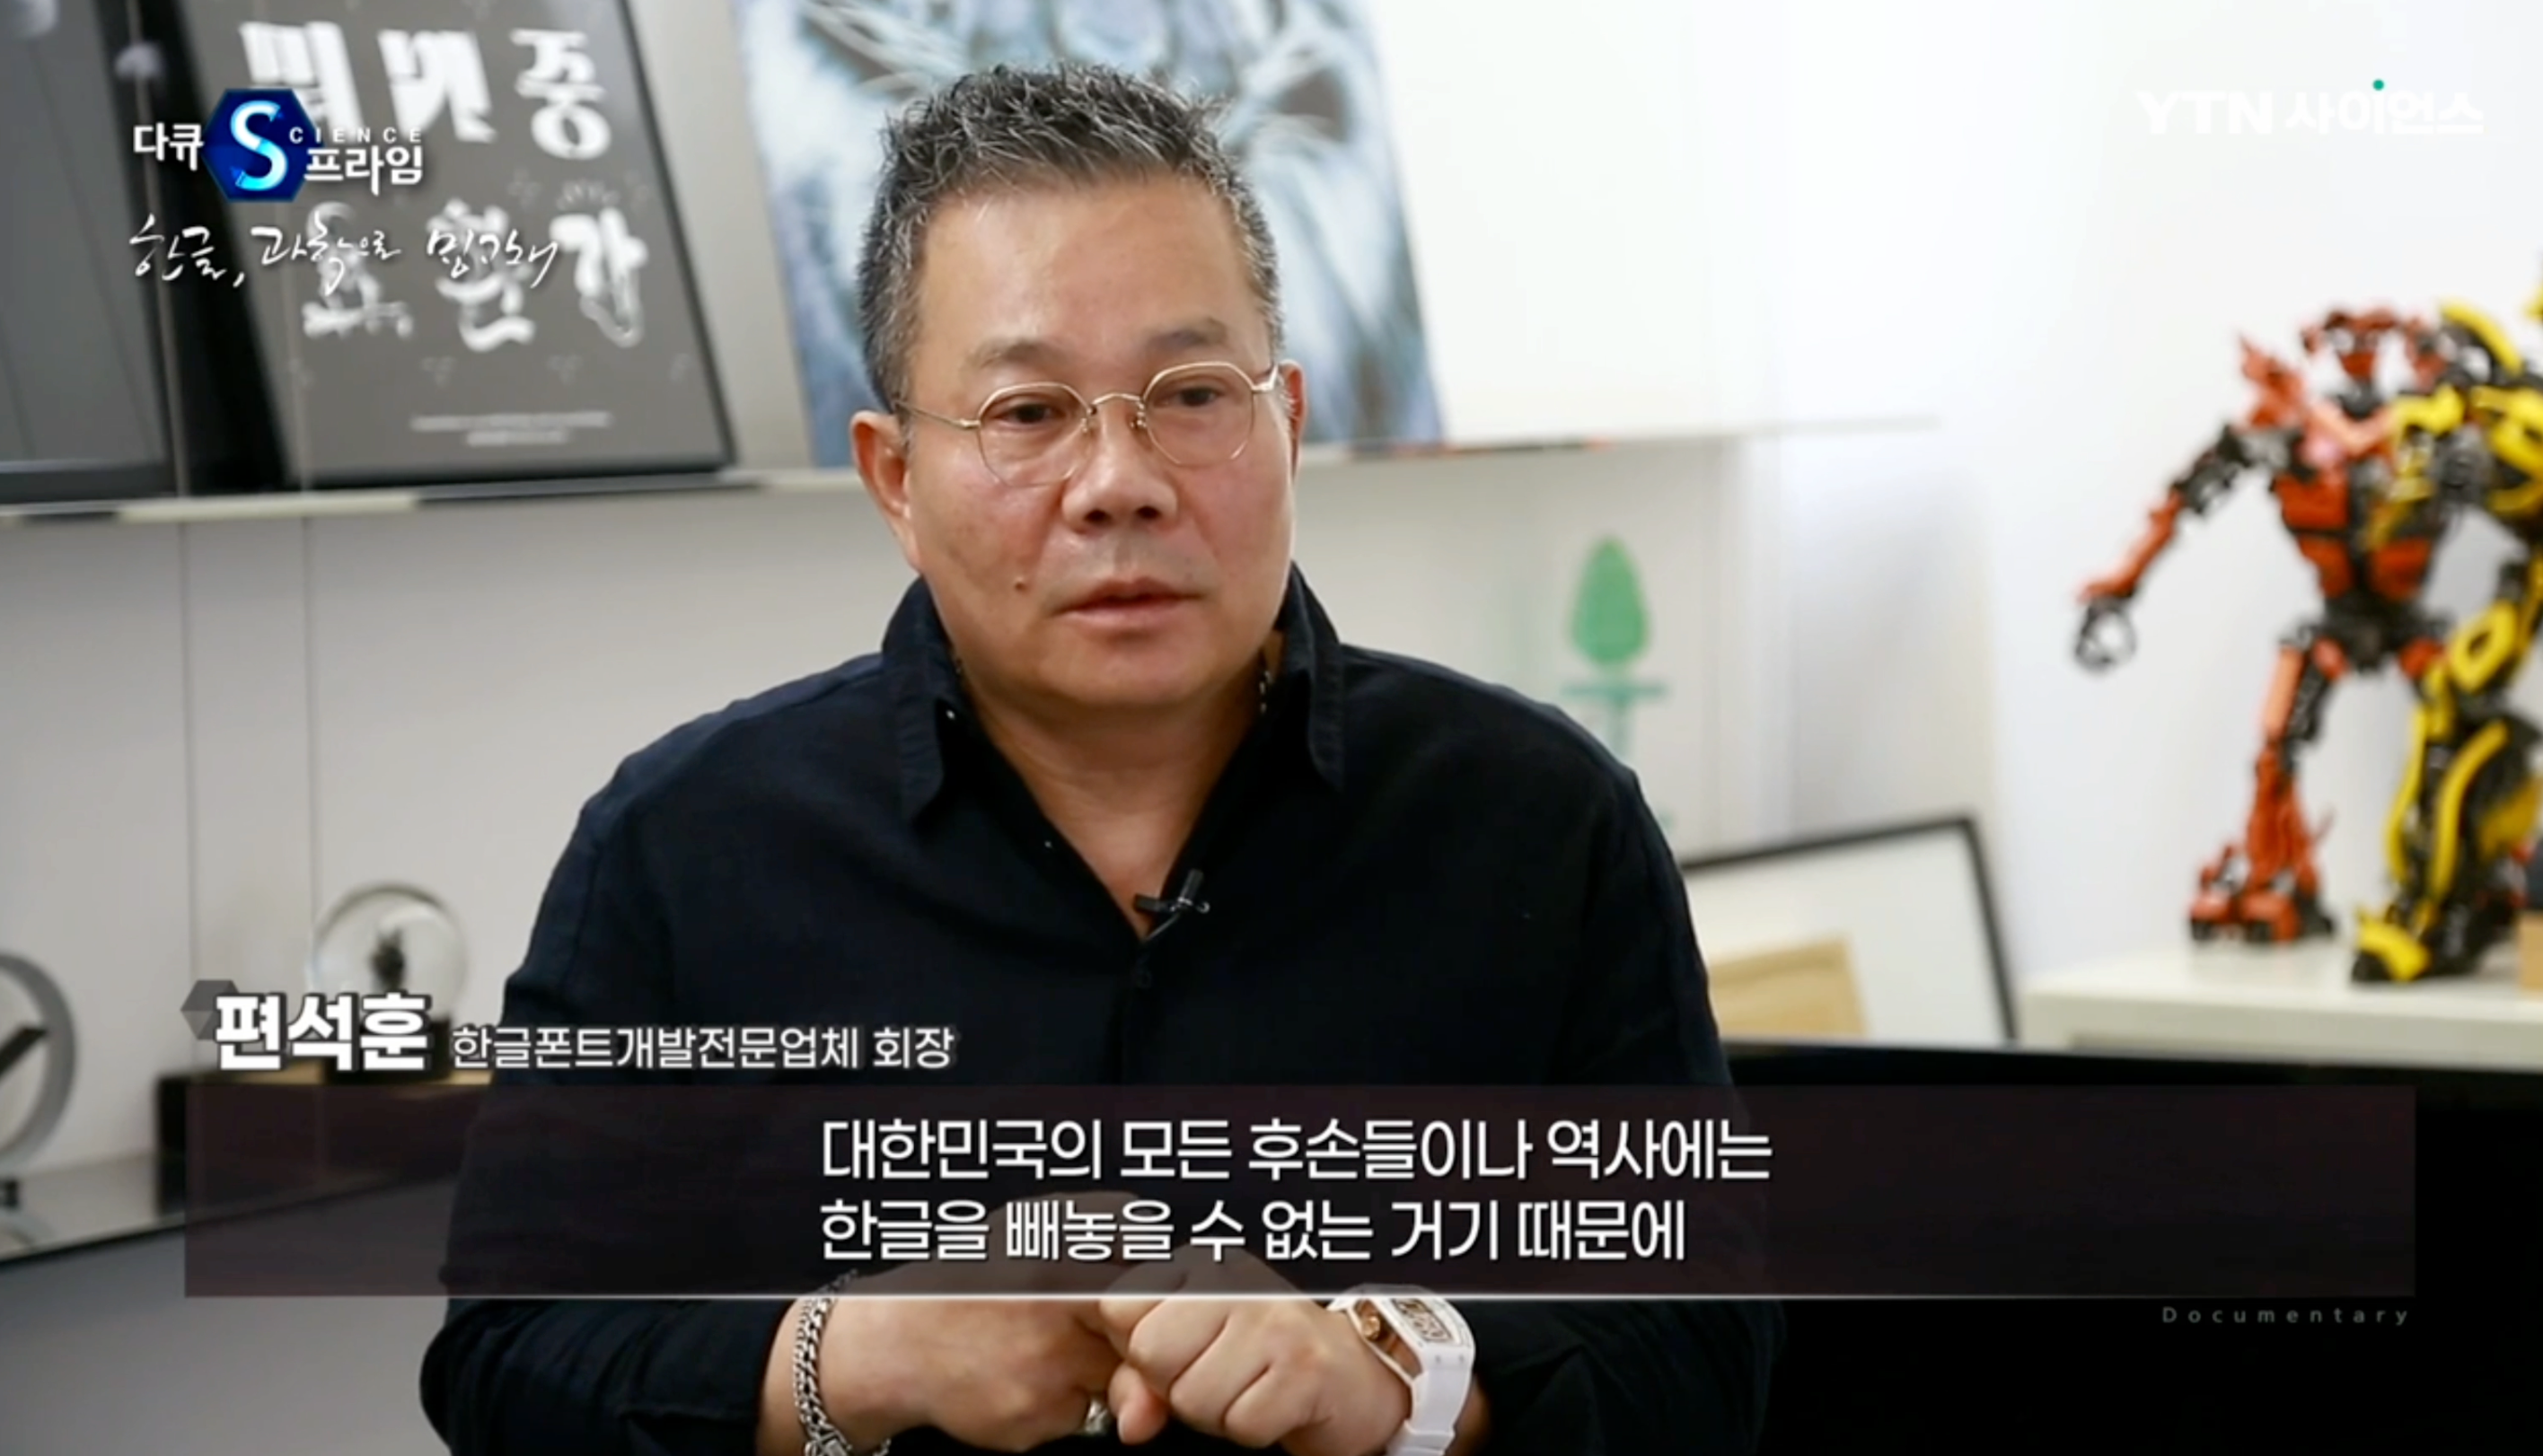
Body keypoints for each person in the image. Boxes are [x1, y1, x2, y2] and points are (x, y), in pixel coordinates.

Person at [419, 62, 1780, 1456]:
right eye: (1026, 412)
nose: (1119, 481)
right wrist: (855, 1353)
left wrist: (1406, 1383)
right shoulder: (684, 846)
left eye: (1190, 394)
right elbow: (511, 1360)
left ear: (1287, 422)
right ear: (895, 478)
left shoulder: (1538, 822)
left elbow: (1706, 1344)